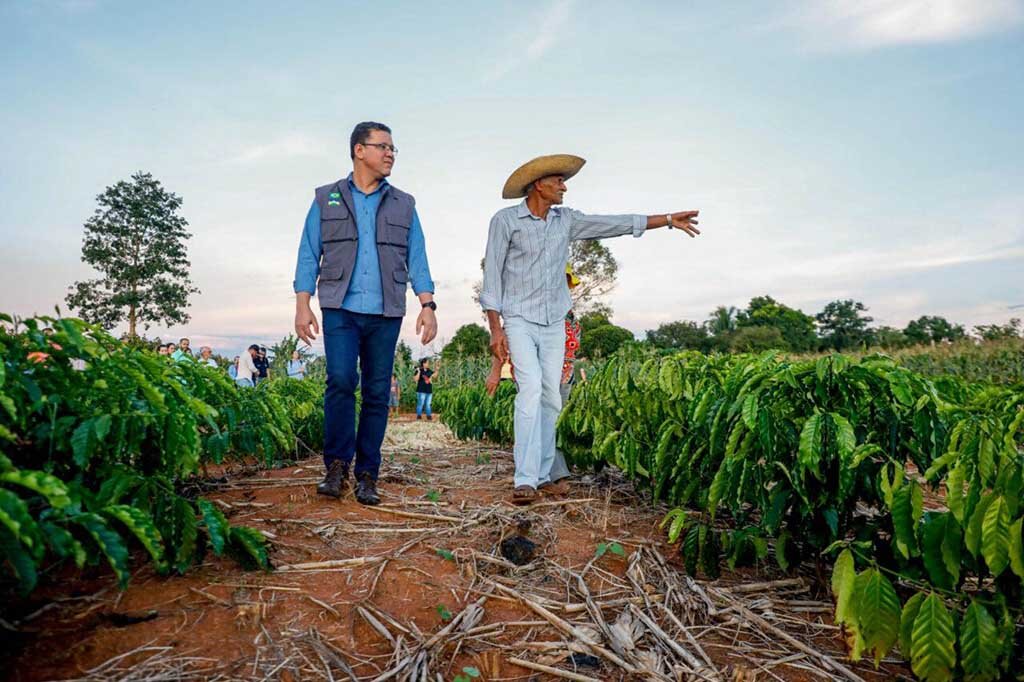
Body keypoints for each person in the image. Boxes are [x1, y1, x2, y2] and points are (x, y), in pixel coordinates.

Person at [480, 154, 701, 505]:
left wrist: (669, 220)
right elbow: (491, 276)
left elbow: (614, 224)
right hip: (518, 318)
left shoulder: (564, 220)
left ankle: (542, 475)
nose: (564, 187)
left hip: (554, 320)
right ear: (540, 184)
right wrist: (496, 329)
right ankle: (524, 479)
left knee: (552, 397)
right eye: (559, 181)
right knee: (531, 390)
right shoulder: (506, 221)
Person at [294, 121, 438, 506]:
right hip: (339, 307)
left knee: (376, 392)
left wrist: (427, 304)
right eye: (383, 146)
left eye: (393, 148)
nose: (390, 153)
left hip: (385, 311)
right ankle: (336, 466)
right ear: (360, 150)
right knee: (341, 380)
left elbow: (417, 256)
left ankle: (367, 474)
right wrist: (302, 303)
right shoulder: (327, 198)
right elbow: (310, 251)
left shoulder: (404, 203)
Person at [486, 264, 582, 493]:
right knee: (536, 417)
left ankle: (546, 475)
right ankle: (541, 477)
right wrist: (496, 371)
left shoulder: (569, 318)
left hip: (563, 377)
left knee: (553, 421)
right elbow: (506, 341)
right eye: (563, 282)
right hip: (534, 375)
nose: (566, 288)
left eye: (568, 284)